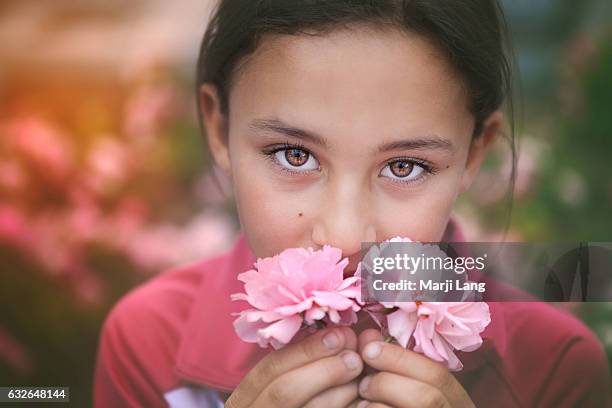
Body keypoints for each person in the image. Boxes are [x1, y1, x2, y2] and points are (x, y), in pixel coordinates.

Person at [93, 1, 611, 407]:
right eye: (294, 155)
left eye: (404, 166)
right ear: (220, 129)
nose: (342, 238)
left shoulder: (555, 367)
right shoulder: (150, 342)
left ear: (475, 152)